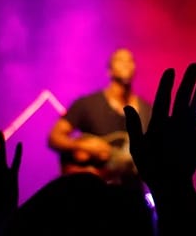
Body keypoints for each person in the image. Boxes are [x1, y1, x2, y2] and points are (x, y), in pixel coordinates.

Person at [49, 49, 151, 184]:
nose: (126, 63)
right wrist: (86, 147)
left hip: (131, 190)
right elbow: (54, 137)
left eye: (130, 60)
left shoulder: (147, 111)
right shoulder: (87, 104)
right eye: (120, 60)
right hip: (93, 188)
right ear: (109, 70)